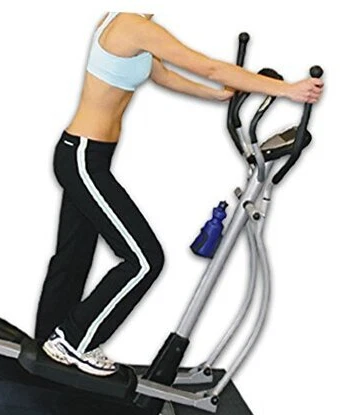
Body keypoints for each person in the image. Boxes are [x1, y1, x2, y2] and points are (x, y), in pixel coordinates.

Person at [34, 12, 324, 377]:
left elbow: (163, 74)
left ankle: (45, 351)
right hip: (82, 158)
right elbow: (210, 67)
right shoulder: (131, 25)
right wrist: (288, 90)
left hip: (86, 155)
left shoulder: (128, 24)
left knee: (72, 257)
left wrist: (216, 96)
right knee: (144, 260)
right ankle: (72, 340)